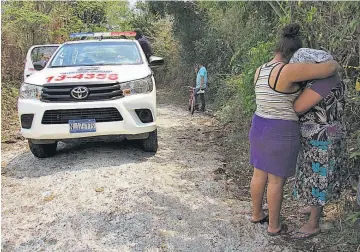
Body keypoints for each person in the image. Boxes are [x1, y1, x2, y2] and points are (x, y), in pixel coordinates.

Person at [249, 23, 341, 236]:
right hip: (279, 129)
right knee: (276, 180)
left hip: (259, 124)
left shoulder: (260, 70)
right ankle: (274, 226)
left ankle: (256, 214)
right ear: (295, 53)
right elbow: (328, 69)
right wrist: (333, 61)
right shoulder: (288, 70)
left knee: (258, 173)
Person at [289, 48, 347, 239]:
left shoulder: (322, 82)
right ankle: (312, 207)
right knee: (316, 174)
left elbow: (298, 107)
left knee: (318, 176)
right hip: (327, 135)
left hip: (321, 138)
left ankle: (313, 223)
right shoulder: (332, 78)